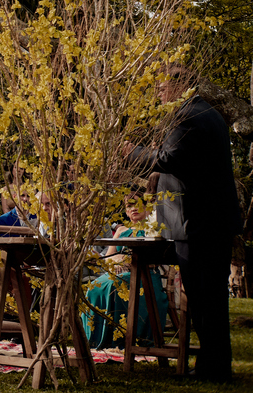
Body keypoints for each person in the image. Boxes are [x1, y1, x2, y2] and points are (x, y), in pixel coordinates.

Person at [124, 67, 241, 383]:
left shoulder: (188, 116)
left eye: (162, 87)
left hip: (200, 224)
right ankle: (214, 365)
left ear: (180, 86)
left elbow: (169, 158)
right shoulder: (205, 112)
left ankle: (214, 369)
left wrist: (131, 152)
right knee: (210, 299)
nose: (159, 93)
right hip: (209, 222)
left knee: (205, 299)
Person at [81, 196, 168, 349]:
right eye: (129, 206)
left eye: (137, 204)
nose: (133, 208)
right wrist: (116, 261)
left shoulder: (154, 229)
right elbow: (108, 258)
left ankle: (120, 339)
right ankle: (95, 339)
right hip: (119, 274)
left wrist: (129, 260)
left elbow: (158, 258)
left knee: (113, 286)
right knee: (94, 287)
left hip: (144, 276)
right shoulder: (121, 231)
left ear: (147, 207)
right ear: (126, 212)